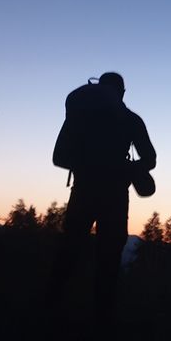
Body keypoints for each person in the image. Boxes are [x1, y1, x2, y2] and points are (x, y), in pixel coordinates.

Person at [48, 72, 156, 327]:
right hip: (116, 197)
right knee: (109, 259)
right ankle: (103, 321)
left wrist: (88, 166)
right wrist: (125, 169)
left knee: (69, 253)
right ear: (122, 92)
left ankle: (49, 310)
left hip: (82, 192)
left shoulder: (79, 118)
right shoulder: (131, 120)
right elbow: (150, 158)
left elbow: (58, 157)